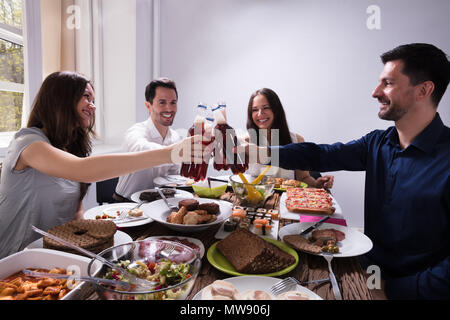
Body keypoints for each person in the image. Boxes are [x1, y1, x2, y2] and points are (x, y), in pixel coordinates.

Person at [243, 43, 450, 299]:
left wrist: (392, 290)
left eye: (388, 83)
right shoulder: (377, 142)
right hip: (364, 272)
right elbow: (322, 153)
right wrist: (259, 152)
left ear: (423, 90)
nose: (375, 92)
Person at [0, 71, 207, 259]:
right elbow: (84, 170)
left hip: (62, 255)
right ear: (61, 99)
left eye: (93, 98)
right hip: (20, 260)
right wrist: (170, 153)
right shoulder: (28, 144)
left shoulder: (69, 149)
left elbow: (77, 215)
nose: (93, 105)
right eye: (86, 97)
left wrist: (106, 243)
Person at [245, 87, 334, 189]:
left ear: (276, 110)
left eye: (266, 108)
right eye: (255, 110)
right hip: (256, 199)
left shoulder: (297, 140)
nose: (260, 114)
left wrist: (316, 184)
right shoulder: (246, 141)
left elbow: (304, 178)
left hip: (288, 199)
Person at [114, 78, 182, 201]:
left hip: (158, 202)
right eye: (162, 102)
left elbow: (173, 178)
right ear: (148, 106)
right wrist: (177, 152)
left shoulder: (175, 137)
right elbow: (140, 148)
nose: (169, 109)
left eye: (173, 102)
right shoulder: (136, 131)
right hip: (126, 203)